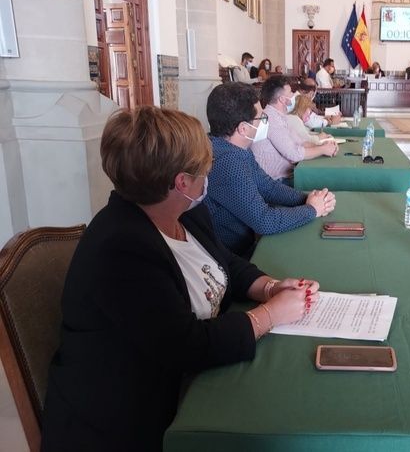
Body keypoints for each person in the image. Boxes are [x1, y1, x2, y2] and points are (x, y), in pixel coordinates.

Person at [41, 106, 319, 451]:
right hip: (124, 418)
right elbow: (186, 346)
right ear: (182, 182)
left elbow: (225, 262)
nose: (209, 174)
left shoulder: (184, 211)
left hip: (184, 381)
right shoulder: (121, 247)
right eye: (206, 168)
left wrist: (270, 287)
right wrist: (270, 315)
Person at [205, 83, 335, 258]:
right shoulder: (227, 162)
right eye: (260, 117)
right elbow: (264, 221)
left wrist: (308, 199)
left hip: (244, 244)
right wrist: (311, 210)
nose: (264, 121)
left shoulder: (234, 148)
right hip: (234, 257)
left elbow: (268, 187)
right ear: (243, 128)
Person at [251, 76, 338, 183]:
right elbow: (294, 154)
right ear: (282, 99)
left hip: (285, 177)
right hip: (276, 182)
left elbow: (300, 142)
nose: (294, 95)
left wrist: (322, 145)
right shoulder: (271, 119)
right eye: (291, 92)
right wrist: (322, 150)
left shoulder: (279, 116)